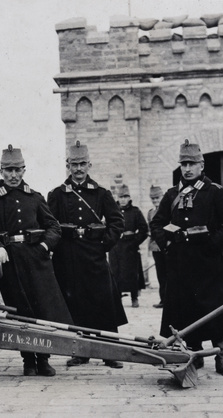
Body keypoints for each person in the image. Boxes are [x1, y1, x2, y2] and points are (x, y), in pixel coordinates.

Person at [149, 139, 223, 376]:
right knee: (186, 311)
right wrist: (168, 243)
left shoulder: (215, 192)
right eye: (183, 164)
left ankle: (222, 356)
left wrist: (212, 244)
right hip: (180, 266)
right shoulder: (171, 195)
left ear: (201, 165)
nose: (187, 168)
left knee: (216, 310)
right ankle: (195, 354)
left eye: (192, 163)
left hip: (209, 265)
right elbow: (156, 224)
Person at [0, 145, 73, 377]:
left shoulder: (34, 197)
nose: (14, 175)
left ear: (24, 170)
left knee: (42, 310)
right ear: (1, 171)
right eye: (9, 170)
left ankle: (44, 359)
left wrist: (45, 246)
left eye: (17, 170)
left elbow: (54, 227)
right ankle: (28, 360)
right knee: (19, 311)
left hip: (36, 260)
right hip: (10, 262)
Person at [47, 141, 127, 369]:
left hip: (94, 258)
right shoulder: (57, 195)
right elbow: (50, 224)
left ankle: (110, 351)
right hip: (68, 258)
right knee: (76, 305)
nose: (79, 168)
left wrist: (103, 246)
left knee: (103, 303)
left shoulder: (101, 194)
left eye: (82, 164)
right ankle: (80, 352)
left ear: (89, 164)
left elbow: (117, 223)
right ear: (68, 166)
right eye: (74, 164)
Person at [109, 184, 148, 308]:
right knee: (116, 273)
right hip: (115, 247)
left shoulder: (135, 211)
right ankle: (117, 298)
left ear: (129, 197)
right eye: (121, 197)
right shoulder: (112, 210)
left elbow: (144, 229)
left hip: (130, 247)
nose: (123, 199)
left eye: (125, 196)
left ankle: (134, 297)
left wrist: (134, 242)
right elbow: (107, 227)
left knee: (131, 273)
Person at [147, 185, 167, 309]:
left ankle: (170, 300)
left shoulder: (168, 210)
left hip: (167, 246)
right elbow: (149, 229)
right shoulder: (151, 213)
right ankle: (163, 299)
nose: (155, 201)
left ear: (163, 197)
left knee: (170, 274)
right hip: (156, 247)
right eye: (153, 199)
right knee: (161, 275)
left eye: (157, 198)